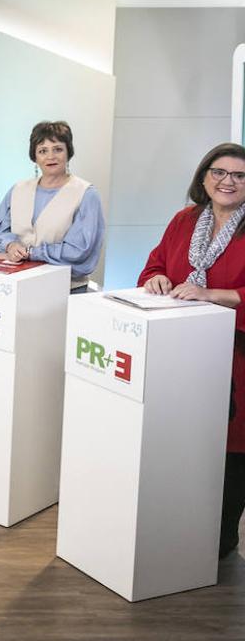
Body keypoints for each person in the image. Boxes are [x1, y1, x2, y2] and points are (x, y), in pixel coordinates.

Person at [139, 142, 245, 561]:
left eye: (239, 175)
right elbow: (154, 265)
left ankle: (221, 536)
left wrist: (213, 293)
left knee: (231, 450)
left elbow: (220, 292)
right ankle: (181, 527)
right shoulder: (184, 220)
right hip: (182, 354)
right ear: (203, 178)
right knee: (185, 443)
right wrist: (157, 280)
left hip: (237, 359)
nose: (228, 181)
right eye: (219, 172)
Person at [0, 120, 105, 292]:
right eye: (43, 151)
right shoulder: (18, 190)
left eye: (58, 149)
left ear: (68, 153)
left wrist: (32, 253)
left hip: (65, 289)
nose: (51, 157)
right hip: (18, 286)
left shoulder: (86, 194)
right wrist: (10, 246)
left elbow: (79, 250)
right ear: (34, 157)